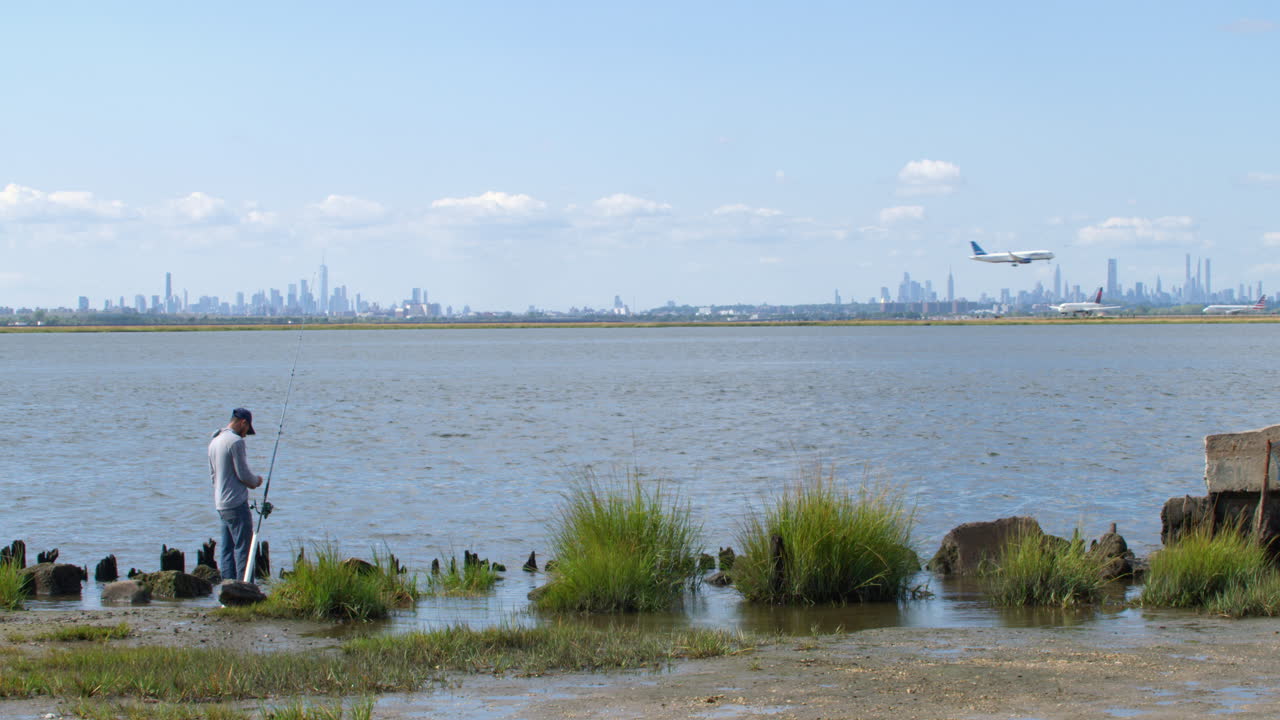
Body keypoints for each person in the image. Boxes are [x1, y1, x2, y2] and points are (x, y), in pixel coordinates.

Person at [208, 407, 264, 582]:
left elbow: (213, 475)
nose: (246, 434)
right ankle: (244, 587)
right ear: (243, 422)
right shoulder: (235, 442)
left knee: (226, 548)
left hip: (220, 503)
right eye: (247, 429)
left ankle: (228, 586)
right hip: (236, 503)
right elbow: (243, 475)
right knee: (243, 548)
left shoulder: (215, 440)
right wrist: (257, 481)